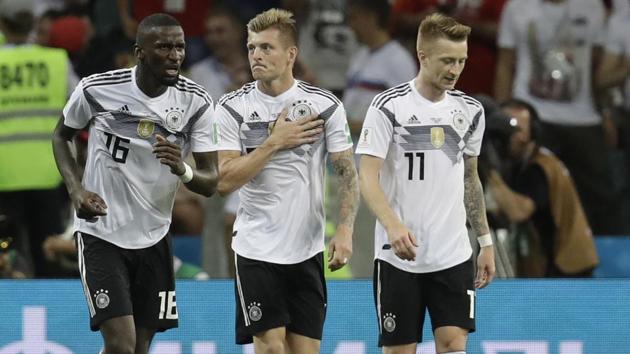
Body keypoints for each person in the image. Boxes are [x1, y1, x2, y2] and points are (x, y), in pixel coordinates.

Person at [51, 13, 218, 354]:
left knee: (140, 348)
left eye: (180, 47)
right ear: (139, 52)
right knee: (122, 344)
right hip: (102, 233)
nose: (175, 55)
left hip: (154, 236)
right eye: (164, 47)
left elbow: (210, 180)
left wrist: (182, 169)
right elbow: (62, 136)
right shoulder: (97, 89)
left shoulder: (196, 103)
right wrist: (76, 190)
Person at [211, 8, 359, 354]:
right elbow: (224, 181)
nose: (256, 56)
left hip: (306, 248)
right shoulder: (232, 108)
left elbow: (348, 175)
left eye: (266, 47)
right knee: (272, 349)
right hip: (255, 248)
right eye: (251, 48)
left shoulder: (324, 106)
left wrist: (346, 229)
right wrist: (274, 142)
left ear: (291, 54)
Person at [356, 13, 495, 354]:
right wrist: (392, 225)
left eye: (461, 61)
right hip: (398, 257)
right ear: (423, 57)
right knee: (400, 350)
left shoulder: (471, 111)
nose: (455, 69)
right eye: (448, 60)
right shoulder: (389, 107)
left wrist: (486, 241)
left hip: (453, 253)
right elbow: (367, 176)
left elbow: (470, 178)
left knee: (453, 344)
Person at [494, 0, 622, 235]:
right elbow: (505, 63)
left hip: (583, 117)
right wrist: (502, 114)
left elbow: (596, 67)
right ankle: (529, 260)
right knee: (527, 190)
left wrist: (605, 111)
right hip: (533, 114)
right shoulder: (517, 7)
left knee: (603, 198)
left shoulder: (592, 7)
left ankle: (613, 263)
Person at [0, 0, 78, 278]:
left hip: (4, 176)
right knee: (49, 257)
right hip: (50, 173)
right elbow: (82, 108)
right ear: (34, 25)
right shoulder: (56, 61)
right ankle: (52, 316)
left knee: (5, 258)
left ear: (2, 24)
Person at [492, 99, 599, 277]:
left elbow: (518, 212)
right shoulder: (519, 163)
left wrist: (488, 171)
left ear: (533, 133)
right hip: (555, 263)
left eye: (517, 129)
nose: (508, 135)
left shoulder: (540, 168)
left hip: (566, 269)